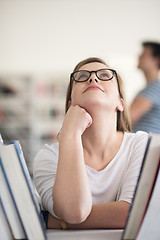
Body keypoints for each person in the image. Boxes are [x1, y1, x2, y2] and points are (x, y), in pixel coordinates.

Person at [33, 57, 149, 230]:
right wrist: (70, 134)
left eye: (104, 75)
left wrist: (54, 221)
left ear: (121, 103)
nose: (93, 79)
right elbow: (74, 211)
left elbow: (134, 214)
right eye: (81, 77)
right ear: (70, 103)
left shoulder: (141, 144)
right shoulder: (48, 156)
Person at [130, 41, 160, 133]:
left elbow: (129, 117)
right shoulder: (151, 88)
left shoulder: (155, 87)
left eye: (143, 54)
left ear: (156, 60)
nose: (139, 57)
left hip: (148, 145)